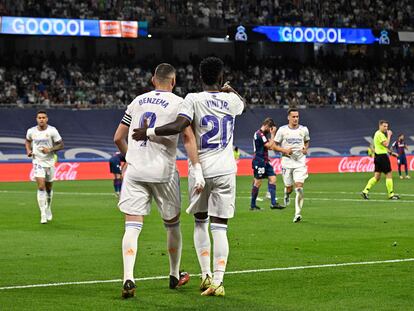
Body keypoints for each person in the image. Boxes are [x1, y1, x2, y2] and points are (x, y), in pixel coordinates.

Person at [132, 57, 244, 297]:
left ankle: (205, 275)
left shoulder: (192, 98)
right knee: (221, 227)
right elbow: (242, 103)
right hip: (226, 169)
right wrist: (230, 89)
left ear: (199, 78)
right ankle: (218, 281)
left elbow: (180, 124)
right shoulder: (232, 100)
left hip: (201, 168)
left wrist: (149, 131)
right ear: (221, 78)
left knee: (200, 222)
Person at [113, 63, 205, 299]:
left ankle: (128, 277)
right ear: (173, 82)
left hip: (135, 171)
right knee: (172, 224)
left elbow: (118, 138)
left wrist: (130, 157)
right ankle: (174, 274)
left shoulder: (137, 101)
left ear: (153, 80)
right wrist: (196, 167)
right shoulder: (179, 103)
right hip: (163, 172)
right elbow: (187, 137)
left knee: (132, 227)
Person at [25, 110, 64, 224]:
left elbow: (61, 144)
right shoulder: (31, 131)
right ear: (36, 119)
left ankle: (48, 208)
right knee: (41, 187)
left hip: (50, 161)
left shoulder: (52, 131)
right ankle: (42, 213)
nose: (41, 119)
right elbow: (27, 141)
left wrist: (50, 149)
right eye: (39, 117)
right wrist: (28, 150)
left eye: (43, 117)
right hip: (37, 161)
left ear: (47, 119)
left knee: (49, 188)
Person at [273, 108, 310, 223]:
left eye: (297, 116)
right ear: (288, 117)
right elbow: (274, 146)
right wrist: (284, 150)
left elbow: (306, 141)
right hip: (287, 162)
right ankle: (287, 194)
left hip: (300, 162)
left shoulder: (304, 129)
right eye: (293, 117)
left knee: (299, 188)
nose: (295, 119)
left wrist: (305, 148)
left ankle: (297, 214)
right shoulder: (282, 130)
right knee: (289, 187)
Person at [250, 117, 291, 211]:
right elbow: (269, 146)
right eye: (270, 128)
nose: (270, 131)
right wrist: (273, 135)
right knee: (258, 182)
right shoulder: (259, 134)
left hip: (265, 160)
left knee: (273, 178)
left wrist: (272, 140)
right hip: (259, 161)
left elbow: (270, 147)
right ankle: (252, 205)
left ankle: (273, 203)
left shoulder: (262, 134)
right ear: (267, 126)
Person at [361, 120, 400, 200]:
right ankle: (391, 194)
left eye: (387, 126)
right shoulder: (380, 134)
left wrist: (391, 153)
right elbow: (386, 144)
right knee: (389, 174)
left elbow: (382, 147)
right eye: (384, 126)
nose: (386, 128)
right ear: (380, 126)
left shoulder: (377, 134)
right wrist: (389, 135)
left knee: (377, 177)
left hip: (378, 157)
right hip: (382, 157)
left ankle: (365, 191)